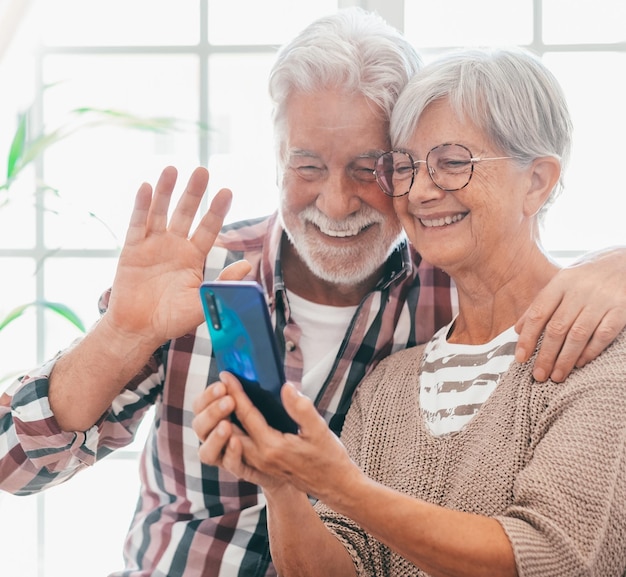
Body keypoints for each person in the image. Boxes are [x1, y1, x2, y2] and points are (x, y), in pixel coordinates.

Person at [1, 8, 626, 577]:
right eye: (307, 166)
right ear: (275, 159)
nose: (334, 203)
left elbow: (524, 262)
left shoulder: (451, 286)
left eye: (370, 167)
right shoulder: (201, 277)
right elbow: (12, 462)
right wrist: (123, 334)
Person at [192, 46, 626, 576]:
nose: (419, 191)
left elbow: (552, 558)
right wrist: (282, 483)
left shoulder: (602, 352)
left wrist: (341, 485)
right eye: (404, 167)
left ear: (536, 180)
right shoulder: (389, 384)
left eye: (452, 163)